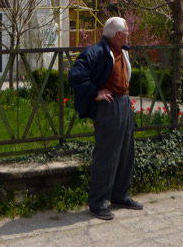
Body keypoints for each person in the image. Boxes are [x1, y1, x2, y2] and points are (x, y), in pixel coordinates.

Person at [68, 16, 143, 220]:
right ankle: (98, 202)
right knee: (107, 154)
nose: (129, 32)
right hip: (109, 106)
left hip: (124, 103)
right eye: (126, 30)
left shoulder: (121, 50)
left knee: (126, 151)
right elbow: (75, 76)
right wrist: (95, 92)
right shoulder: (96, 52)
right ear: (118, 34)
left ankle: (119, 194)